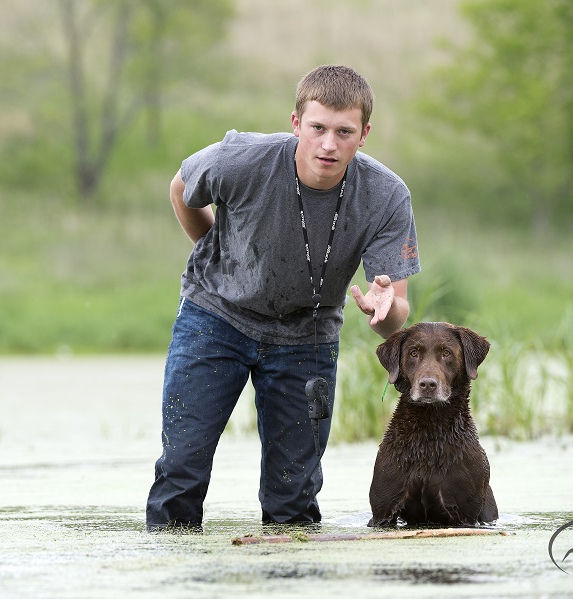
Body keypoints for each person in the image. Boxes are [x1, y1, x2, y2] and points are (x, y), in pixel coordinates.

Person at [146, 65, 421, 530]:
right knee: (181, 469)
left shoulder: (386, 196)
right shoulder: (241, 159)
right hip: (215, 318)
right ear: (297, 123)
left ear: (364, 134)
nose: (328, 145)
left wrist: (384, 310)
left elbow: (397, 313)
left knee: (293, 497)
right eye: (317, 128)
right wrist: (216, 250)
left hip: (307, 336)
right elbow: (180, 189)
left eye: (344, 132)